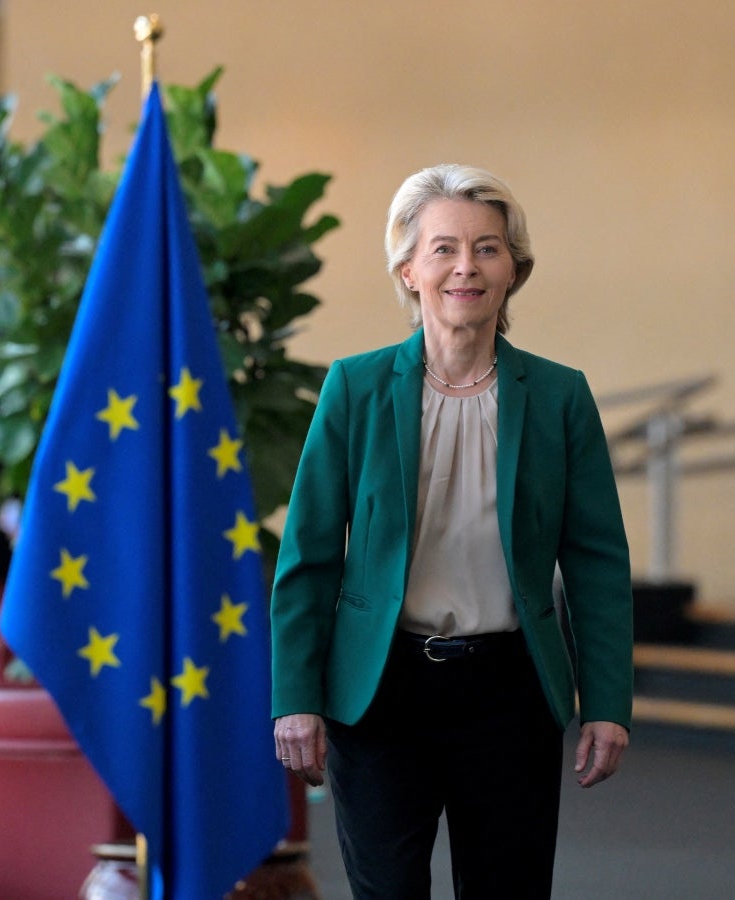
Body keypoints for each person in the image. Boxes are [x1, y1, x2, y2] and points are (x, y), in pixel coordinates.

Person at [270, 163, 633, 899]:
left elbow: (596, 563)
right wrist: (294, 696)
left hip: (510, 691)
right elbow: (308, 557)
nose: (466, 266)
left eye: (488, 248)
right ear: (407, 270)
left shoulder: (561, 397)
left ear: (514, 271)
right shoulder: (354, 388)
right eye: (443, 248)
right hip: (380, 691)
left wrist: (607, 703)